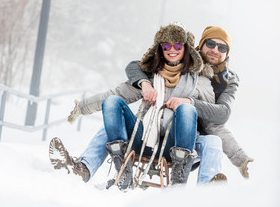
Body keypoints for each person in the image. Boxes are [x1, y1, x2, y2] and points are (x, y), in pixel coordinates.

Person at [49, 23, 225, 188]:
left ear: (186, 50)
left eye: (178, 46)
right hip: (144, 138)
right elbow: (115, 94)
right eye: (166, 46)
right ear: (160, 49)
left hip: (176, 143)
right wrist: (82, 107)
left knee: (190, 114)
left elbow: (213, 115)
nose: (172, 50)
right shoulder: (148, 77)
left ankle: (199, 187)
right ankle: (87, 168)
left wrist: (189, 102)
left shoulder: (199, 81)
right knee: (112, 112)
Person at [125, 26, 254, 179]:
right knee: (115, 116)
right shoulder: (185, 59)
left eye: (222, 47)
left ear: (227, 52)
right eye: (211, 44)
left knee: (213, 142)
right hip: (166, 126)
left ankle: (206, 191)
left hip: (197, 138)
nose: (215, 50)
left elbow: (223, 113)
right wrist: (145, 83)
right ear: (201, 44)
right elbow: (136, 66)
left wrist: (190, 102)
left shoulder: (229, 80)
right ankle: (90, 166)